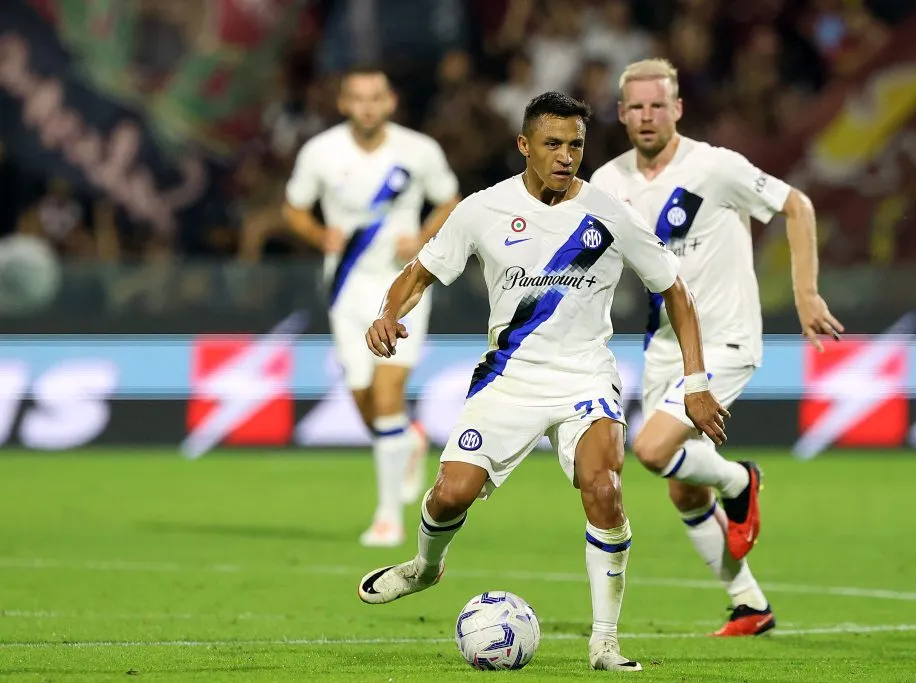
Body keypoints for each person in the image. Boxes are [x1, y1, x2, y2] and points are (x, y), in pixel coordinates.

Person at [356, 92, 729, 672]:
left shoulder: (609, 213)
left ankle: (604, 642)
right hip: (508, 379)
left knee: (602, 487)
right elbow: (419, 272)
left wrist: (697, 381)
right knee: (450, 493)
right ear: (524, 145)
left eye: (575, 144)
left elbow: (675, 291)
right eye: (552, 144)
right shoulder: (483, 209)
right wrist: (387, 313)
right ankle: (426, 568)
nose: (565, 156)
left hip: (585, 376)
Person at [590, 59, 844, 636]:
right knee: (682, 486)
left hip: (726, 338)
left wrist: (805, 293)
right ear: (622, 114)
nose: (648, 116)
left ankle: (740, 481)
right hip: (662, 346)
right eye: (637, 107)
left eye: (659, 105)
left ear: (678, 109)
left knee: (652, 451)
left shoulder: (715, 167)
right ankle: (749, 604)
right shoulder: (607, 183)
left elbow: (796, 205)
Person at [283, 67, 461, 548]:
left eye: (375, 97)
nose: (367, 106)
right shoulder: (320, 151)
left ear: (390, 101)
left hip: (403, 287)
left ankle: (389, 518)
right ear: (343, 103)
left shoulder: (418, 150)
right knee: (366, 400)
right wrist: (320, 234)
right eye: (357, 98)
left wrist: (422, 237)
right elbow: (292, 207)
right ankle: (409, 439)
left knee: (385, 397)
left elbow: (450, 200)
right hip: (345, 290)